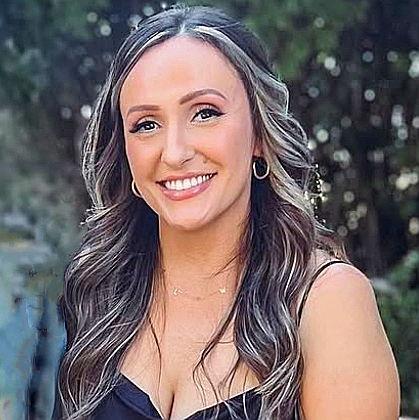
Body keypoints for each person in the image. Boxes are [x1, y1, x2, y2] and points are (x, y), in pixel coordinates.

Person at [53, 4, 400, 419]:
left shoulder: (326, 302)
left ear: (259, 135)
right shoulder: (94, 293)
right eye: (146, 124)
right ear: (125, 154)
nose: (175, 153)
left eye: (205, 113)